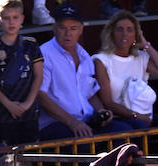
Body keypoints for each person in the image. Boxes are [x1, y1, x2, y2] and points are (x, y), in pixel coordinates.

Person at [38, 4, 119, 141]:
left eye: (73, 28)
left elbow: (89, 93)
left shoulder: (84, 55)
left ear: (81, 29)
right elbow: (41, 95)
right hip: (56, 123)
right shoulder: (43, 54)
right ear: (54, 28)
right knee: (83, 142)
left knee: (125, 131)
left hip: (86, 120)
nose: (68, 33)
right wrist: (72, 122)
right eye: (63, 28)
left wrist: (101, 111)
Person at [92, 10, 158, 131]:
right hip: (119, 118)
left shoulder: (141, 57)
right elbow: (108, 102)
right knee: (140, 126)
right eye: (120, 29)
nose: (125, 34)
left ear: (136, 34)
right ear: (111, 33)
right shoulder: (102, 60)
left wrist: (145, 44)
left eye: (130, 30)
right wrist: (135, 116)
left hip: (144, 117)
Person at [0, 0, 43, 146]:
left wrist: (28, 103)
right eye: (6, 18)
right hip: (5, 113)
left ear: (22, 18)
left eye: (15, 17)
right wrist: (8, 104)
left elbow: (39, 75)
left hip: (30, 111)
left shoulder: (31, 44)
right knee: (8, 158)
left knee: (31, 155)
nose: (11, 22)